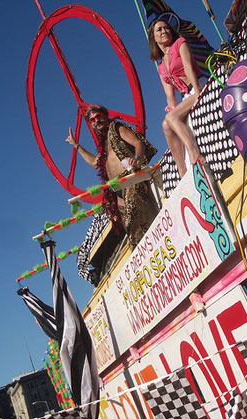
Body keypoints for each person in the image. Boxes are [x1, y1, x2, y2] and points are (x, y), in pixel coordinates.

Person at [65, 104, 158, 249]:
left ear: (105, 115)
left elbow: (138, 142)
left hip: (130, 180)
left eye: (98, 116)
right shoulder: (103, 146)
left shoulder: (116, 127)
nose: (96, 120)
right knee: (132, 232)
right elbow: (95, 162)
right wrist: (77, 146)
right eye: (92, 120)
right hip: (117, 190)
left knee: (143, 221)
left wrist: (138, 160)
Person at [149, 19, 206, 178]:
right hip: (185, 96)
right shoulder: (161, 67)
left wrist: (197, 90)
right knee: (166, 124)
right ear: (154, 38)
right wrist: (173, 111)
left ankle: (194, 154)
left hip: (198, 85)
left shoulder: (180, 43)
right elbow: (169, 95)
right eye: (159, 29)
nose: (164, 31)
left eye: (166, 28)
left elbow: (188, 66)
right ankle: (182, 171)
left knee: (172, 117)